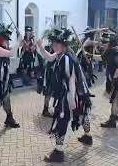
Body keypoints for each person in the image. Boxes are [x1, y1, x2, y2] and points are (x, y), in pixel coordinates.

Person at [37, 28, 93, 163]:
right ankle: (88, 136)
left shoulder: (66, 59)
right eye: (53, 43)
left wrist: (72, 99)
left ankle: (58, 152)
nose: (54, 46)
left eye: (57, 44)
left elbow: (71, 79)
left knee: (63, 120)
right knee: (84, 114)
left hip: (71, 94)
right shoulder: (60, 55)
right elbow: (49, 57)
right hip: (76, 93)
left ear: (64, 45)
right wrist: (40, 47)